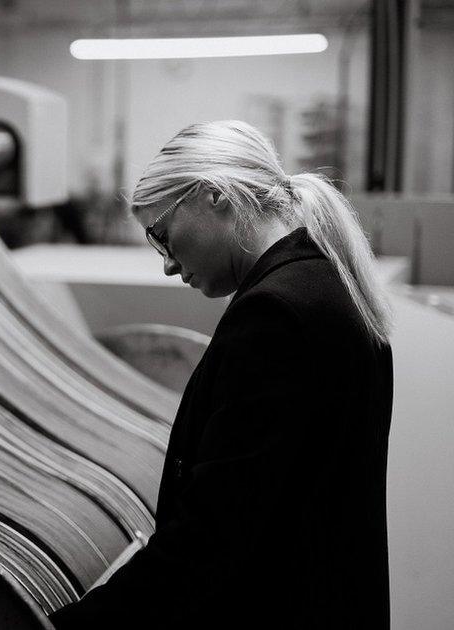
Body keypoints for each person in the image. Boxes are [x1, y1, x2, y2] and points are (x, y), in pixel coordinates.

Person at [49, 120, 394, 629]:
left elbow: (213, 536)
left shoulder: (276, 315)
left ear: (213, 195)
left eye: (162, 235)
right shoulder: (320, 283)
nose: (167, 264)